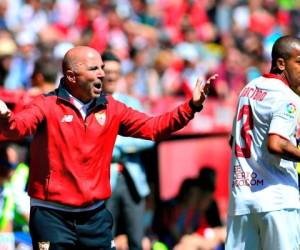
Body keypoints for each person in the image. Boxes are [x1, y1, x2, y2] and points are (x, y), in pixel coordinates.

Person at [0, 45, 217, 250]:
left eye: (102, 68)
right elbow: (18, 127)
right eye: (94, 69)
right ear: (72, 76)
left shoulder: (112, 108)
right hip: (51, 217)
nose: (102, 74)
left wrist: (191, 107)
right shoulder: (46, 104)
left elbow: (154, 127)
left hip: (95, 217)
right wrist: (5, 117)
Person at [227, 35, 300, 250]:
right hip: (278, 200)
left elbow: (233, 140)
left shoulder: (248, 89)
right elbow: (276, 144)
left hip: (241, 200)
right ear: (281, 63)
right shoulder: (286, 97)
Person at [101, 51, 154, 250]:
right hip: (104, 179)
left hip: (132, 180)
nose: (111, 76)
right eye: (107, 71)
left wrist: (116, 144)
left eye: (116, 71)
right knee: (106, 238)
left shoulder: (130, 102)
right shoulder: (91, 103)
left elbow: (149, 138)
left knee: (136, 238)